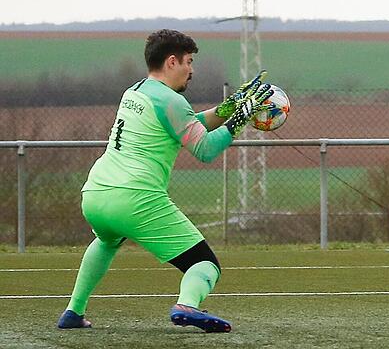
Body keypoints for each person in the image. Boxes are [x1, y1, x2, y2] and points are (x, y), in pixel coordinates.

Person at [57, 29, 274, 332]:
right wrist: (239, 121)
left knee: (107, 240)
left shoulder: (136, 90)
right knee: (204, 265)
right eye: (189, 61)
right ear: (172, 62)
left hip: (95, 194)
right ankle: (187, 305)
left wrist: (230, 107)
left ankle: (73, 312)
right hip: (136, 199)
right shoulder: (171, 101)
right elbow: (205, 148)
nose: (192, 70)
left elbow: (187, 126)